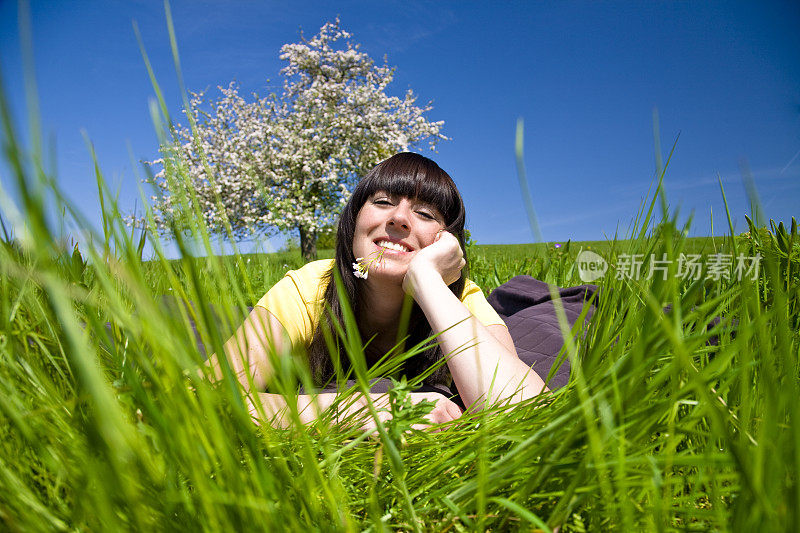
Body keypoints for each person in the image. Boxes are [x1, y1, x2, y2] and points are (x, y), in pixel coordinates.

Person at [204, 152, 547, 429]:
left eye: (425, 213)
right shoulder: (310, 287)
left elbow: (524, 410)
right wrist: (364, 409)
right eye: (382, 201)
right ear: (354, 223)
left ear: (447, 242)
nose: (399, 219)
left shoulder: (460, 298)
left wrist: (426, 280)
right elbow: (207, 396)